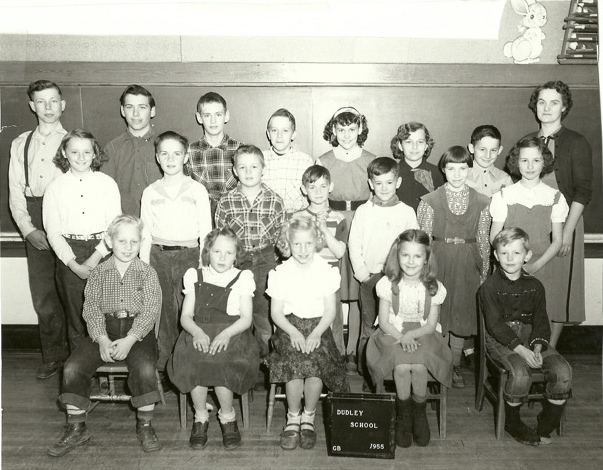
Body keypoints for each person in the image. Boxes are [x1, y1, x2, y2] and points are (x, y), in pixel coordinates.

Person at [46, 215, 163, 457]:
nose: (128, 247)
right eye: (122, 241)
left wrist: (131, 338)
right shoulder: (98, 273)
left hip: (138, 332)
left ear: (141, 243)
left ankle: (145, 426)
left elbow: (151, 310)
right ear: (109, 242)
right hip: (104, 330)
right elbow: (90, 309)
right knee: (72, 367)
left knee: (144, 368)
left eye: (134, 242)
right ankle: (77, 428)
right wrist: (101, 338)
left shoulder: (148, 273)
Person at [167, 227, 259, 450]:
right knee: (193, 360)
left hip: (232, 332)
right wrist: (197, 332)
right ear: (208, 251)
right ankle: (200, 417)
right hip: (198, 330)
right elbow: (186, 317)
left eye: (229, 253)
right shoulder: (195, 275)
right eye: (217, 251)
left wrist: (226, 333)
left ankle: (227, 417)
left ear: (236, 255)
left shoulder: (242, 278)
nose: (222, 258)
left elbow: (246, 318)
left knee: (221, 361)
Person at [478, 227, 572, 446]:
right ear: (496, 255)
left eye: (517, 253)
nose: (510, 259)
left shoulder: (536, 286)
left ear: (527, 256)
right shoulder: (489, 288)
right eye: (504, 253)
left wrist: (537, 348)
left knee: (563, 371)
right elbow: (495, 326)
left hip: (532, 337)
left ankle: (546, 423)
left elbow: (540, 322)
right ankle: (512, 422)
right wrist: (521, 350)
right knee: (520, 374)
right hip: (501, 340)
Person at [267, 216, 350, 451]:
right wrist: (293, 332)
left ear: (317, 243)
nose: (303, 250)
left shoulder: (326, 271)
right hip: (289, 327)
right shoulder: (280, 273)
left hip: (318, 327)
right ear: (287, 244)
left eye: (308, 244)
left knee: (316, 362)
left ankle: (308, 417)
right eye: (296, 244)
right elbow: (276, 313)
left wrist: (315, 334)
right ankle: (293, 417)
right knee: (294, 362)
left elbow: (330, 312)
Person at [366, 229, 451, 448]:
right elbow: (384, 322)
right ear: (397, 255)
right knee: (402, 366)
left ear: (426, 259)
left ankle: (419, 413)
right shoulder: (388, 284)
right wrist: (402, 336)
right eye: (405, 255)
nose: (411, 261)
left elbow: (431, 325)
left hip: (424, 333)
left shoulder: (434, 288)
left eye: (417, 256)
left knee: (420, 366)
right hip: (392, 333)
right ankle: (404, 415)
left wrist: (413, 334)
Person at [524, 80, 593, 348]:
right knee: (532, 287)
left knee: (557, 291)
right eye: (542, 102)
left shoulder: (576, 142)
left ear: (564, 107)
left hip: (566, 223)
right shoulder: (527, 142)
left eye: (554, 102)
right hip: (531, 223)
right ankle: (529, 350)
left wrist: (565, 233)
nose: (547, 108)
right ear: (535, 107)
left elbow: (582, 192)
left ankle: (548, 353)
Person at [8, 79, 70, 379]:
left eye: (53, 101)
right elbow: (16, 192)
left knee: (73, 291)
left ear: (63, 104)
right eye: (41, 102)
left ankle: (79, 357)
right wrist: (28, 229)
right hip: (34, 216)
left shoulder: (74, 141)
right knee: (44, 295)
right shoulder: (21, 143)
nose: (48, 107)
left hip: (68, 216)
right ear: (32, 105)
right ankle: (54, 356)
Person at [417, 146, 491, 389]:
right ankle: (438, 363)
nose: (457, 174)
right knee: (439, 311)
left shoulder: (482, 201)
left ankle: (455, 363)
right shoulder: (430, 201)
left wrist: (484, 271)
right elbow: (423, 239)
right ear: (443, 169)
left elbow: (483, 239)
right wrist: (422, 272)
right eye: (451, 168)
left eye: (462, 168)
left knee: (461, 313)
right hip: (439, 259)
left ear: (470, 169)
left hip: (468, 262)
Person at [140, 131, 212, 371]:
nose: (170, 159)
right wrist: (144, 265)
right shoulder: (150, 191)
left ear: (186, 157)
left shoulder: (197, 190)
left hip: (189, 255)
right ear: (157, 158)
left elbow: (206, 230)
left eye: (177, 153)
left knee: (189, 310)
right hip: (158, 256)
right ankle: (166, 365)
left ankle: (189, 362)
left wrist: (204, 263)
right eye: (164, 154)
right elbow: (145, 232)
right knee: (163, 310)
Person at [43, 129, 121, 351]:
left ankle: (107, 373)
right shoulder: (55, 188)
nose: (81, 157)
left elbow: (114, 227)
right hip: (70, 253)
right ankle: (81, 378)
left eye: (87, 151)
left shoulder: (107, 184)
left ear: (95, 153)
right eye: (74, 151)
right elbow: (53, 233)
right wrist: (73, 265)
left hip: (103, 251)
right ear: (64, 153)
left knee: (106, 315)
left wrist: (96, 257)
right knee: (77, 318)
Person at [490, 136, 569, 347]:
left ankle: (543, 359)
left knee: (543, 317)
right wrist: (512, 261)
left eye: (536, 160)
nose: (530, 166)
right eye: (524, 161)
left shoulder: (555, 197)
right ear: (516, 162)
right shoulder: (504, 195)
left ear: (544, 162)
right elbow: (494, 236)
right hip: (512, 266)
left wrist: (535, 266)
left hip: (544, 265)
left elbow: (558, 240)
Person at [348, 157, 419, 388]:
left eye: (389, 182)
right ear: (371, 183)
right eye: (378, 183)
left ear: (398, 182)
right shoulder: (363, 211)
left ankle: (391, 368)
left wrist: (406, 273)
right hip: (371, 278)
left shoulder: (406, 212)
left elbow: (414, 244)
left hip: (398, 279)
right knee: (369, 326)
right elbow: (354, 243)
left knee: (393, 324)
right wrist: (362, 273)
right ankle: (368, 374)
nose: (384, 188)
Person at [317, 106, 376, 374]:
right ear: (334, 130)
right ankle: (336, 349)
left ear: (360, 130)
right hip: (333, 222)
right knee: (333, 289)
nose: (347, 134)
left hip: (362, 221)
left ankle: (353, 351)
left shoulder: (370, 159)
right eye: (341, 129)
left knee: (355, 294)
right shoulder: (324, 159)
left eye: (352, 129)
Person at [215, 144, 286, 356]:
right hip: (238, 262)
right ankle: (242, 361)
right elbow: (221, 239)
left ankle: (265, 364)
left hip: (267, 260)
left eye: (253, 167)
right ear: (235, 171)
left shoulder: (275, 200)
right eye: (242, 167)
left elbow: (281, 240)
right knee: (238, 313)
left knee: (264, 316)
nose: (248, 172)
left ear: (263, 169)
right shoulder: (226, 201)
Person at [292, 165, 347, 355]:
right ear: (303, 189)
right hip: (303, 279)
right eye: (312, 187)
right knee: (305, 320)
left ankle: (335, 361)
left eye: (323, 186)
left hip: (329, 280)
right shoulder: (297, 217)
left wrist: (323, 228)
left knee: (333, 322)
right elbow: (289, 251)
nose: (318, 192)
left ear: (331, 187)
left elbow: (339, 252)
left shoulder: (339, 218)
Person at [101, 84, 162, 217]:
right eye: (130, 107)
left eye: (142, 107)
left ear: (152, 111)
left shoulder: (165, 146)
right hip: (123, 225)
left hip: (159, 225)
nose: (135, 113)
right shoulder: (112, 148)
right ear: (123, 111)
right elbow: (104, 192)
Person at [187, 92, 242, 220]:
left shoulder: (240, 150)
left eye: (218, 114)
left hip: (234, 220)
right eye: (207, 115)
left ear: (226, 116)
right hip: (199, 220)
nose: (213, 121)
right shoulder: (189, 152)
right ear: (199, 118)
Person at [262, 108, 314, 215]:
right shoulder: (259, 159)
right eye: (274, 130)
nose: (279, 135)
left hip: (297, 219)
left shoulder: (305, 161)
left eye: (285, 131)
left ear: (293, 134)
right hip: (266, 220)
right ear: (268, 134)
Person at [390, 122, 445, 212]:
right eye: (408, 142)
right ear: (400, 145)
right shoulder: (391, 174)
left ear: (426, 145)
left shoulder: (439, 174)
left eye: (420, 142)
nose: (414, 147)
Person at [466, 124, 513, 198]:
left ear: (499, 150)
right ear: (472, 148)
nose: (488, 156)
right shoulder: (461, 177)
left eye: (493, 150)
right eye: (482, 149)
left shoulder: (505, 179)